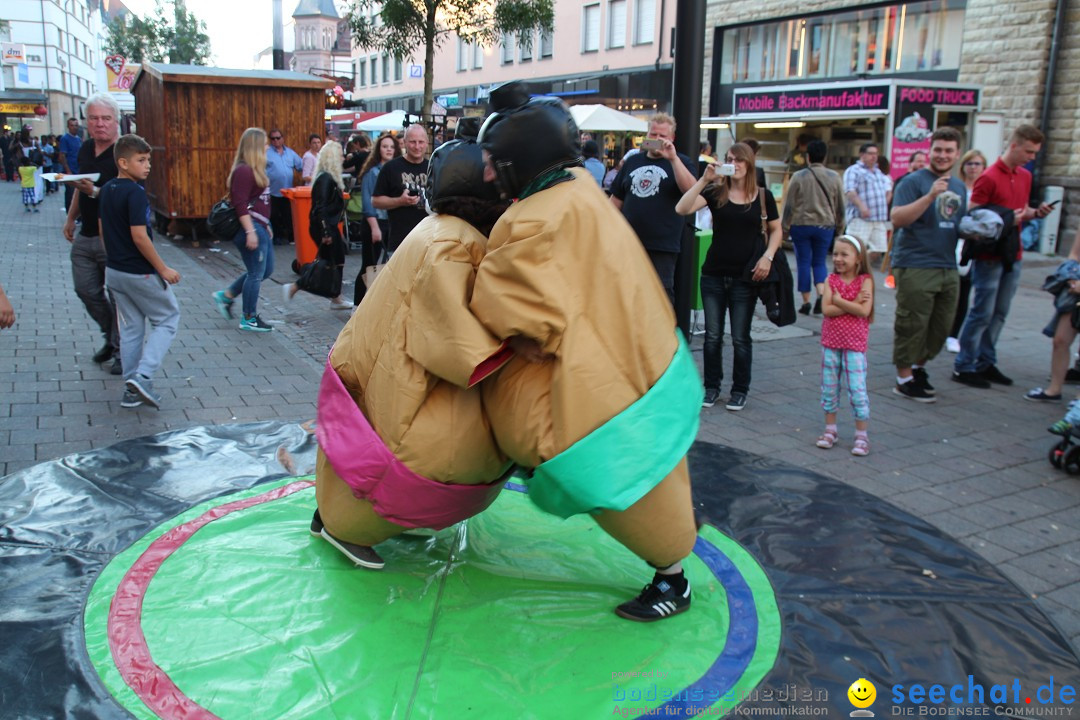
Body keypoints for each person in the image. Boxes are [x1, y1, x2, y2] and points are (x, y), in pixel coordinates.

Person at [475, 82, 702, 622]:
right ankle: (671, 564)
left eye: (493, 162)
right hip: (639, 356)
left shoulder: (539, 216)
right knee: (646, 466)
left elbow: (509, 306)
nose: (488, 174)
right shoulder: (579, 191)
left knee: (612, 472)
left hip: (601, 383)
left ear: (520, 160)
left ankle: (673, 576)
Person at [312, 133, 516, 569]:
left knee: (361, 443)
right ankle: (343, 526)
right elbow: (459, 345)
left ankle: (333, 514)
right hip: (405, 396)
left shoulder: (438, 228)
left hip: (372, 371)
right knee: (444, 453)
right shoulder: (456, 244)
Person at [675, 142, 782, 412]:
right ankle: (711, 387)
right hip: (713, 274)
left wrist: (767, 257)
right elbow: (682, 208)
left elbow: (777, 230)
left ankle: (740, 389)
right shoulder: (715, 193)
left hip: (745, 277)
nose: (734, 164)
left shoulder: (762, 196)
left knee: (740, 337)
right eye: (729, 159)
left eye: (739, 160)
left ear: (749, 164)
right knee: (712, 336)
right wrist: (703, 179)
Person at [950, 125, 1052, 393]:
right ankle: (965, 363)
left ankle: (985, 360)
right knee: (982, 311)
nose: (1031, 157)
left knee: (1000, 312)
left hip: (1012, 252)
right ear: (1014, 146)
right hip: (990, 254)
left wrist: (1035, 213)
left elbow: (1020, 211)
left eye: (1035, 152)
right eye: (1029, 151)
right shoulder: (989, 177)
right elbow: (974, 218)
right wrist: (1010, 218)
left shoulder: (1024, 176)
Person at [98, 134, 181, 410]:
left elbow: (102, 230)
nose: (147, 166)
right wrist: (163, 268)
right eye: (141, 160)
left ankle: (131, 389)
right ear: (123, 162)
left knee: (131, 328)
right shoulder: (135, 192)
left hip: (115, 271)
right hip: (139, 272)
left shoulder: (108, 189)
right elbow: (140, 237)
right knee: (168, 318)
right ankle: (143, 376)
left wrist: (114, 258)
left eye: (148, 160)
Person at [888, 127, 967, 402]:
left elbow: (956, 224)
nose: (943, 155)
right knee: (913, 323)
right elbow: (897, 218)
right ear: (929, 150)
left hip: (947, 264)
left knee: (941, 326)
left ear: (957, 154)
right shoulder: (913, 181)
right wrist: (931, 196)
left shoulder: (958, 186)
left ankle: (919, 368)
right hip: (915, 263)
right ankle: (903, 378)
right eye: (938, 150)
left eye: (948, 150)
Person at [609, 112, 699, 304]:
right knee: (625, 296)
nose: (657, 139)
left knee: (659, 300)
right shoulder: (633, 161)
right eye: (653, 134)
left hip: (662, 247)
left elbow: (691, 191)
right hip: (628, 244)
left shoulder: (681, 162)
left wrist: (673, 159)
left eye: (662, 136)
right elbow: (616, 200)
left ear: (672, 138)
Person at [62, 92, 122, 373]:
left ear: (116, 121)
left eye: (106, 118)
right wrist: (70, 218)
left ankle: (123, 350)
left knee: (118, 296)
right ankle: (112, 337)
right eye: (94, 118)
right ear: (87, 121)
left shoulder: (124, 153)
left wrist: (95, 191)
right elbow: (79, 185)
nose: (100, 124)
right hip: (86, 233)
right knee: (85, 290)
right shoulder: (86, 149)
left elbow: (128, 197)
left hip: (114, 236)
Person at [815, 235, 874, 456]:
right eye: (836, 253)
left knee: (857, 390)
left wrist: (839, 301)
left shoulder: (866, 280)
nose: (838, 258)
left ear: (858, 258)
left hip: (855, 345)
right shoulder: (831, 279)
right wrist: (850, 303)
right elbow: (826, 310)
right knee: (829, 388)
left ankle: (862, 435)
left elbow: (864, 311)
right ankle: (830, 429)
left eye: (844, 254)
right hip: (831, 343)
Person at [212, 127, 275, 332]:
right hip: (252, 226)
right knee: (256, 273)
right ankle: (248, 317)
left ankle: (227, 295)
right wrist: (250, 231)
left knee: (265, 270)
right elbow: (240, 204)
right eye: (265, 143)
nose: (268, 146)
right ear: (255, 146)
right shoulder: (244, 171)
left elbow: (259, 202)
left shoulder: (254, 169)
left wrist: (267, 225)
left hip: (260, 225)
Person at [282, 140, 353, 310]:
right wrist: (326, 232)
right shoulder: (326, 179)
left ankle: (335, 297)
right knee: (329, 262)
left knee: (336, 260)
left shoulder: (326, 178)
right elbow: (320, 208)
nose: (343, 159)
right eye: (341, 156)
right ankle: (297, 287)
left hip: (327, 226)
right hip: (325, 226)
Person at [782, 139, 845, 315]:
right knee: (819, 262)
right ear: (824, 156)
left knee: (803, 262)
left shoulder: (799, 177)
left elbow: (789, 206)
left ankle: (806, 301)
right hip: (825, 225)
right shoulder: (834, 177)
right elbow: (840, 206)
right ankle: (821, 294)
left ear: (808, 156)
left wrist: (784, 229)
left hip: (801, 225)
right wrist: (840, 228)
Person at [945, 149, 988, 354]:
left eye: (977, 164)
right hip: (952, 244)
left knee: (964, 292)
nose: (973, 168)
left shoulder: (986, 189)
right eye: (969, 163)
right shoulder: (956, 187)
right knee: (947, 291)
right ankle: (943, 329)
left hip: (971, 248)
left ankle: (954, 334)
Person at [1031, 226, 1080, 406]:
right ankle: (1054, 390)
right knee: (1060, 340)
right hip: (1076, 291)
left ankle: (1079, 401)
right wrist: (1071, 277)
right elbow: (1074, 255)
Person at [352, 132, 401, 306]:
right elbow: (368, 204)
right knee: (369, 265)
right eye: (384, 146)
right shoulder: (372, 173)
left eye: (391, 147)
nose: (388, 150)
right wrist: (374, 227)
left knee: (388, 265)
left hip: (392, 223)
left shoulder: (397, 170)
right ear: (378, 150)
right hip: (375, 223)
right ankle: (357, 304)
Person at [372, 123, 430, 255]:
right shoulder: (391, 168)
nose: (417, 146)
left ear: (427, 143)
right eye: (412, 142)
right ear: (404, 143)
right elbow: (375, 201)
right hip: (399, 242)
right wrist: (400, 201)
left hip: (427, 242)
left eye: (421, 142)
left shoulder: (433, 167)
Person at [844, 142, 893, 268]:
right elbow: (850, 191)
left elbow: (887, 190)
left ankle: (860, 267)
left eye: (876, 154)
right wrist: (862, 206)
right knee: (854, 248)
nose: (874, 156)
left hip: (878, 219)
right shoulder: (854, 170)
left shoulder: (878, 173)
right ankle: (851, 272)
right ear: (862, 155)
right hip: (860, 218)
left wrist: (885, 201)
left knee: (879, 249)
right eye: (870, 153)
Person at [265, 129, 303, 245]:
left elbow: (301, 166)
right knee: (274, 215)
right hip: (273, 191)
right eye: (273, 138)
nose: (275, 140)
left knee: (289, 215)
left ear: (282, 138)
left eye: (278, 138)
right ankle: (277, 237)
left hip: (287, 191)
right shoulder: (266, 153)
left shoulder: (290, 153)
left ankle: (292, 237)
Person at [58, 118, 83, 215]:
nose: (74, 127)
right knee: (70, 194)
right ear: (68, 127)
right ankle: (70, 215)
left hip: (79, 171)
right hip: (70, 171)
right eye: (72, 125)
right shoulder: (65, 139)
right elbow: (62, 156)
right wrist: (68, 170)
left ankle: (79, 215)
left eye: (76, 125)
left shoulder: (79, 139)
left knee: (79, 194)